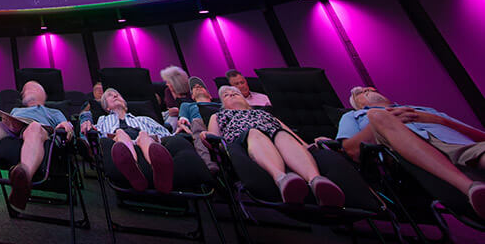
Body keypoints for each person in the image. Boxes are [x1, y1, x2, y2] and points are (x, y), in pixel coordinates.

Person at [337, 86, 485, 217]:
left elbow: (479, 136)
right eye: (362, 93)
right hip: (407, 154)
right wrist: (379, 123)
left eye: (371, 89)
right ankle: (471, 188)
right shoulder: (353, 116)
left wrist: (439, 120)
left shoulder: (426, 110)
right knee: (377, 115)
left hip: (462, 146)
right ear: (357, 105)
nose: (368, 91)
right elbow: (351, 150)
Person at [205, 85, 343, 205]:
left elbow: (291, 135)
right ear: (222, 104)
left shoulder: (263, 113)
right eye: (226, 95)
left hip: (277, 139)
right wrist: (204, 136)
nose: (232, 95)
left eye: (235, 93)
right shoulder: (219, 116)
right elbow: (216, 140)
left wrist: (311, 145)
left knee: (282, 135)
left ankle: (317, 181)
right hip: (245, 144)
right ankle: (282, 179)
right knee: (254, 133)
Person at [0, 80, 74, 210]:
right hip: (12, 133)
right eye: (24, 90)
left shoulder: (54, 112)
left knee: (34, 127)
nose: (25, 91)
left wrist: (66, 126)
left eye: (31, 87)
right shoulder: (16, 110)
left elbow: (67, 127)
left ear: (42, 93)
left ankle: (23, 180)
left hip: (38, 132)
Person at [80, 87, 198, 193]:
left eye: (117, 94)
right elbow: (96, 137)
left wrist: (178, 130)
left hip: (148, 143)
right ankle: (134, 171)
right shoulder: (103, 120)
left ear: (125, 104)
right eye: (110, 95)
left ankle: (159, 172)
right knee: (121, 133)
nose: (115, 95)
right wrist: (87, 127)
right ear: (107, 107)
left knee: (143, 135)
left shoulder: (144, 119)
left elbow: (166, 135)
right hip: (120, 144)